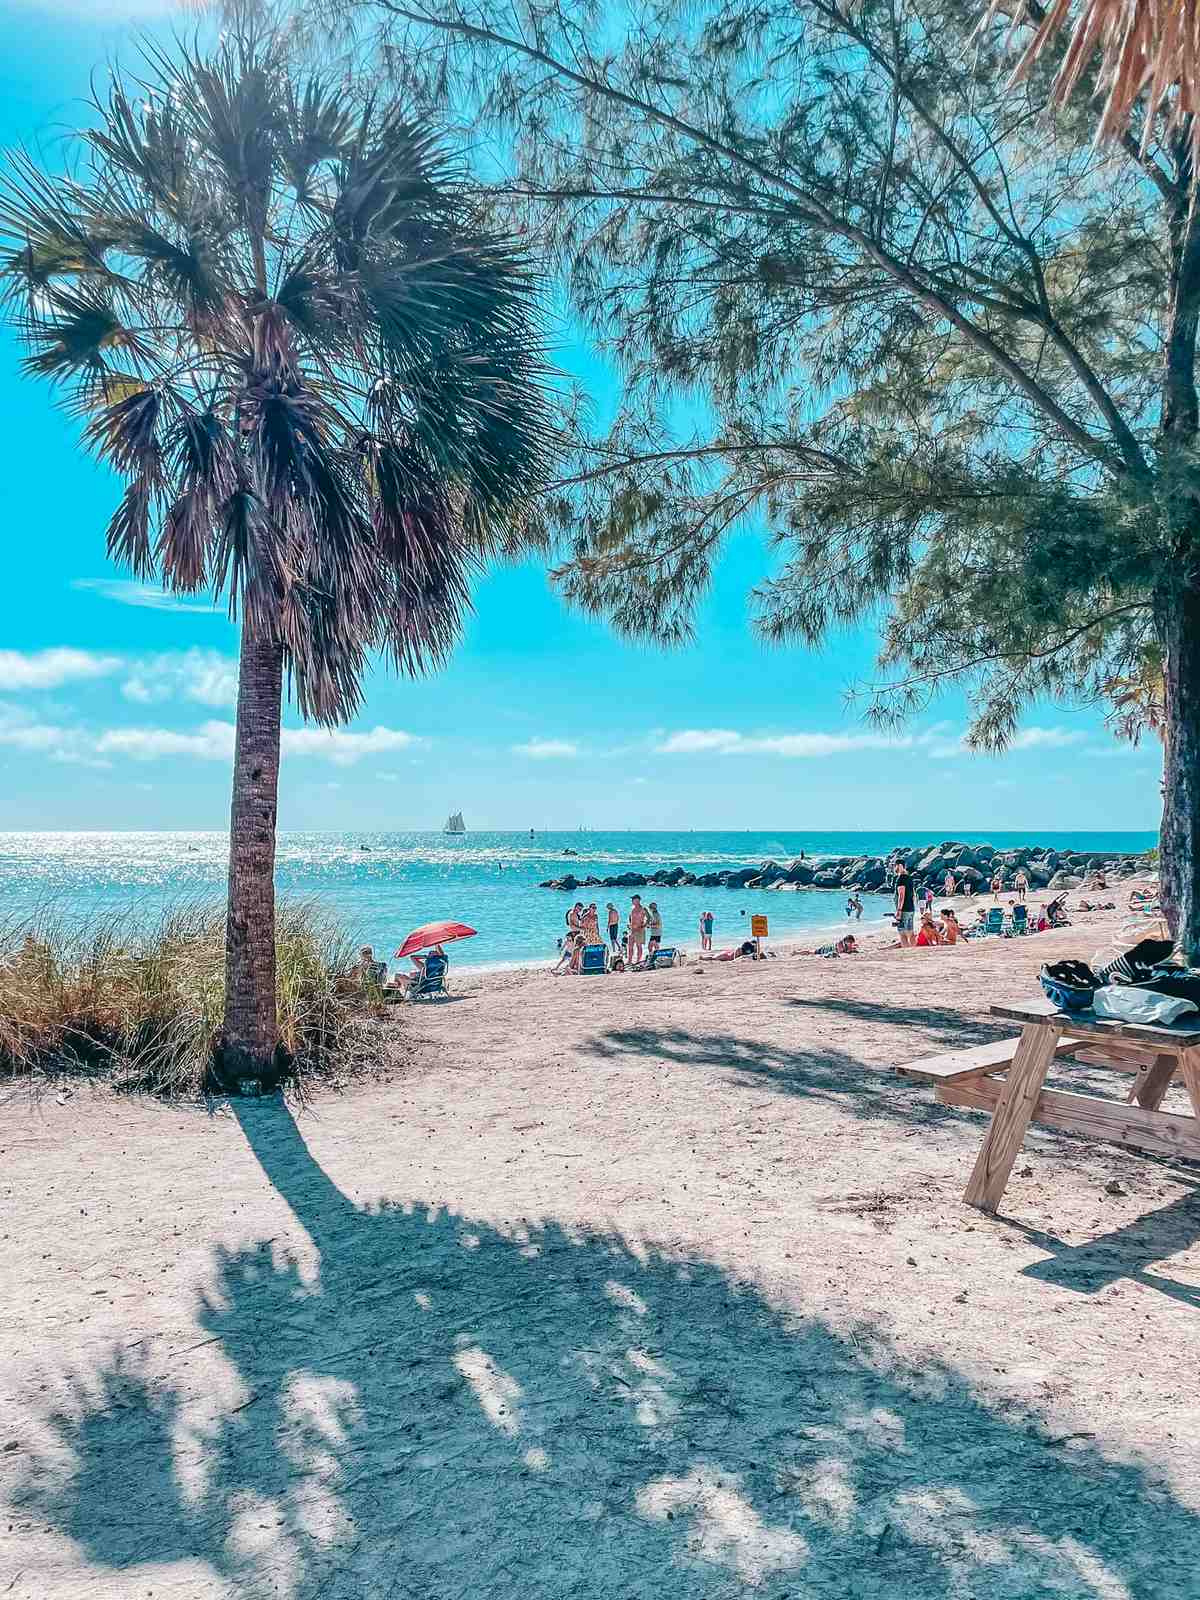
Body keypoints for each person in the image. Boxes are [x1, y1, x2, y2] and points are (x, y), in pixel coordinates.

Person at [894, 862, 916, 948]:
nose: (894, 868)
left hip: (904, 910)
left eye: (895, 866)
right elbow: (913, 895)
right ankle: (913, 950)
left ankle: (906, 951)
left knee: (902, 933)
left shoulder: (901, 879)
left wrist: (899, 910)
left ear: (899, 866)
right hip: (911, 908)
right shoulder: (909, 878)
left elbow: (901, 896)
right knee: (911, 932)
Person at [627, 894, 649, 965]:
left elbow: (649, 918)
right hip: (632, 930)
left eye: (633, 899)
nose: (632, 901)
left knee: (638, 946)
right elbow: (630, 918)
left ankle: (638, 961)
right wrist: (629, 924)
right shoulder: (632, 908)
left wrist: (644, 926)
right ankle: (629, 961)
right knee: (630, 946)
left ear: (637, 900)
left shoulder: (643, 909)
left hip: (640, 930)